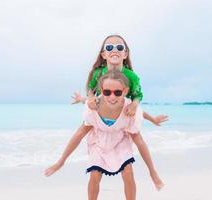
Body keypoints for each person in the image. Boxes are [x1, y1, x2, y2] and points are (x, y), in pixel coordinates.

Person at [46, 35, 165, 190]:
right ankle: (61, 162)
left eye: (119, 48)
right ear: (103, 54)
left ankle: (153, 173)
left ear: (125, 54)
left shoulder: (132, 76)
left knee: (135, 143)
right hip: (102, 116)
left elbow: (137, 96)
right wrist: (88, 98)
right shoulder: (98, 74)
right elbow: (92, 90)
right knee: (94, 171)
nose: (114, 50)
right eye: (109, 47)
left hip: (124, 115)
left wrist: (135, 105)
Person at [45, 70, 157, 200]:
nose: (112, 97)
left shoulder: (129, 108)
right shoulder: (93, 107)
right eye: (107, 92)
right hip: (99, 142)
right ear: (101, 90)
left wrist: (152, 171)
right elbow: (79, 133)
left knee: (128, 171)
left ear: (125, 91)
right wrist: (61, 162)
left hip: (120, 141)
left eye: (118, 92)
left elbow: (140, 141)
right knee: (95, 174)